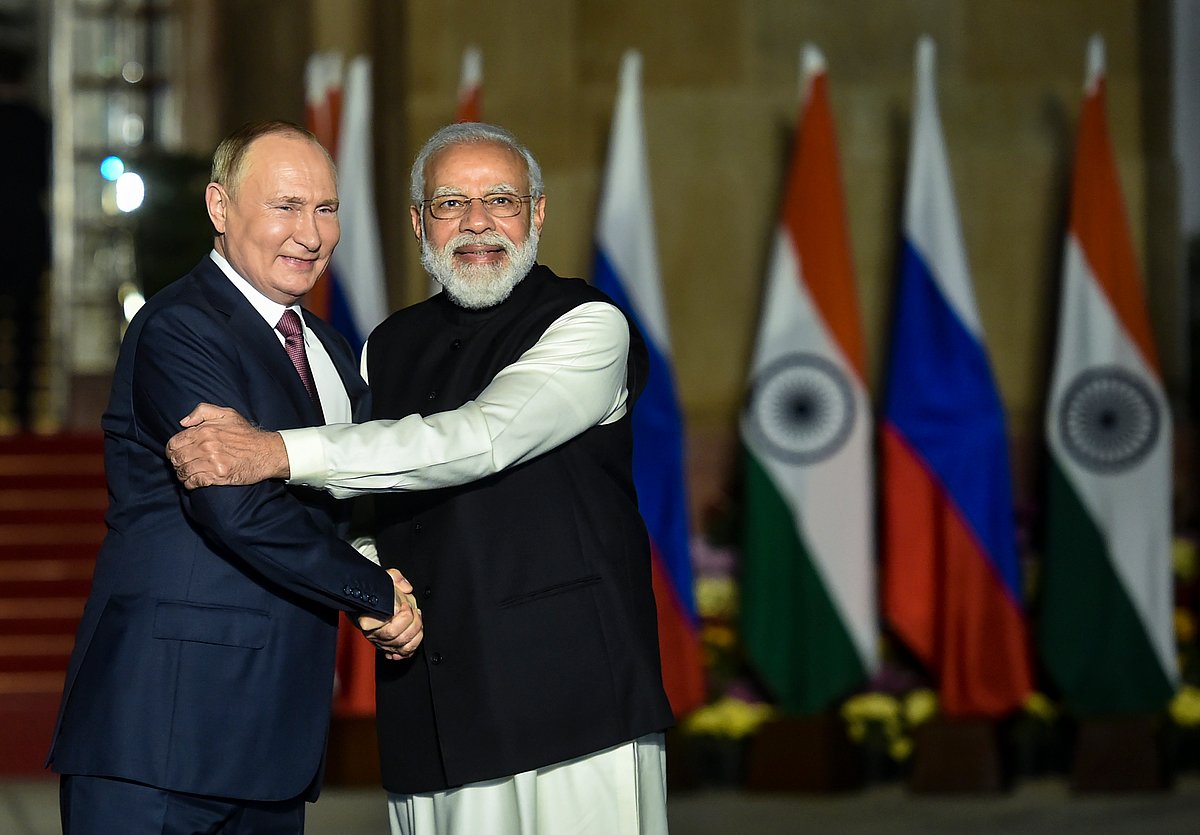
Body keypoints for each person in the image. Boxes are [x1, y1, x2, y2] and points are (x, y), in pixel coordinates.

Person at [166, 122, 674, 835]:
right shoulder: (385, 345)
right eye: (448, 203)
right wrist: (370, 583)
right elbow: (359, 502)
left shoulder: (590, 324)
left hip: (574, 704)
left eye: (501, 199)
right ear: (417, 222)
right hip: (431, 705)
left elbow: (482, 438)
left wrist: (274, 451)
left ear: (537, 212)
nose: (477, 222)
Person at [47, 120, 424, 835]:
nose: (309, 234)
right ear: (221, 209)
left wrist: (386, 569)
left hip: (273, 746)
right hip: (163, 735)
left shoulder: (333, 351)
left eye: (326, 208)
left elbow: (353, 496)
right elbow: (236, 508)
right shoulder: (181, 327)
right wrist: (373, 593)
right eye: (285, 205)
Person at [0, 46, 50, 432]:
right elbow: (44, 180)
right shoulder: (36, 122)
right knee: (27, 330)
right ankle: (23, 412)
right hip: (27, 237)